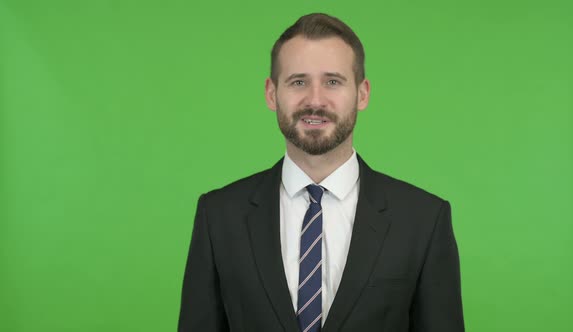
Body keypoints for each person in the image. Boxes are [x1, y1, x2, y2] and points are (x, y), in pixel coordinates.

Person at [178, 13, 464, 332]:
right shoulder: (218, 216)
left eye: (332, 81)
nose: (315, 100)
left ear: (363, 93)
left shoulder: (424, 220)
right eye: (298, 81)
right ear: (272, 93)